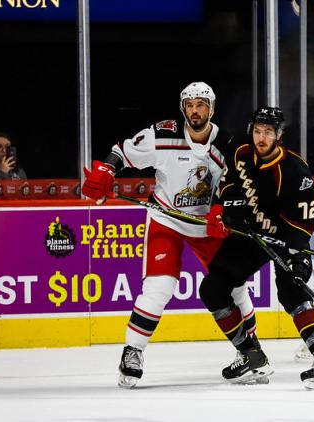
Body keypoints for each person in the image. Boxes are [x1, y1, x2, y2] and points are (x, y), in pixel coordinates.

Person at [81, 81, 257, 388]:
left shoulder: (227, 144)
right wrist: (107, 171)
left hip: (207, 224)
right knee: (159, 287)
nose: (195, 110)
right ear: (183, 109)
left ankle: (251, 351)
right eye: (189, 105)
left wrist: (222, 210)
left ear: (211, 109)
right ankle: (132, 352)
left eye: (201, 105)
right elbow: (121, 151)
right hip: (167, 220)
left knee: (234, 286)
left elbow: (237, 185)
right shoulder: (162, 134)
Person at [200, 106, 314, 388]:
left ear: (279, 134)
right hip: (250, 236)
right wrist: (228, 206)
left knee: (292, 293)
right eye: (257, 131)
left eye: (267, 132)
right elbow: (228, 182)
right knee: (212, 289)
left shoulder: (295, 169)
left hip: (284, 238)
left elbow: (302, 223)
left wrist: (298, 256)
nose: (261, 137)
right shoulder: (240, 153)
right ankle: (250, 354)